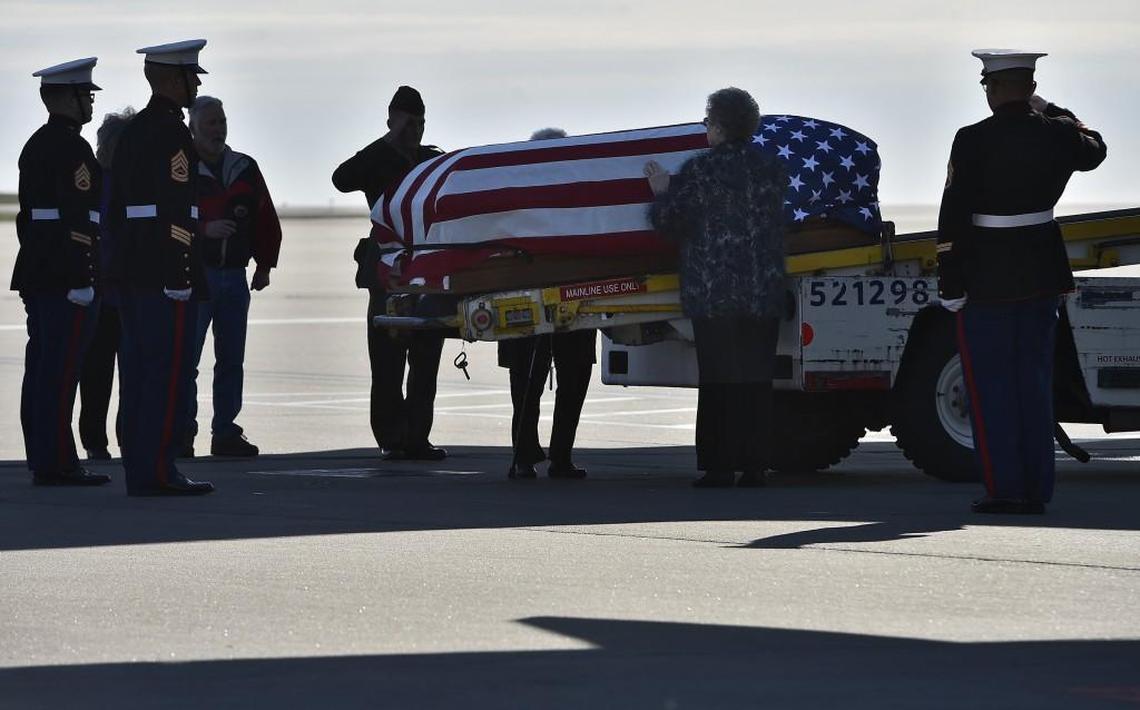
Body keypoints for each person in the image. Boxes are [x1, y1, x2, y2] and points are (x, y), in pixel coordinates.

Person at [937, 50, 1106, 515]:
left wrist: (951, 280)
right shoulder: (1056, 134)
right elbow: (1095, 148)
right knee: (1033, 384)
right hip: (1040, 272)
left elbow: (953, 214)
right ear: (1031, 89)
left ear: (991, 89)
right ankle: (1037, 488)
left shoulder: (972, 138)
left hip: (987, 275)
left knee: (992, 388)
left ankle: (1006, 489)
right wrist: (1052, 110)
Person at [645, 87, 787, 488]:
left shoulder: (700, 171)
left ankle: (720, 464)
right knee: (757, 380)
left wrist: (660, 193)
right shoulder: (771, 169)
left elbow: (671, 222)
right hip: (763, 293)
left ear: (721, 127)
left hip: (715, 293)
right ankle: (756, 464)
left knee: (720, 381)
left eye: (708, 121)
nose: (706, 128)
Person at [109, 39, 214, 496]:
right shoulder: (172, 134)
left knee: (137, 372)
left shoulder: (133, 131)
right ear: (173, 80)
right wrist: (179, 274)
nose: (195, 84)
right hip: (163, 274)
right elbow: (174, 213)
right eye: (191, 77)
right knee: (164, 372)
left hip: (133, 271)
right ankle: (159, 470)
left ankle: (140, 467)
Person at [332, 85, 447, 461]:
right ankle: (390, 436)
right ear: (391, 121)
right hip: (387, 273)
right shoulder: (376, 161)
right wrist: (388, 141)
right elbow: (341, 179)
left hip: (427, 271)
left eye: (420, 122)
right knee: (387, 361)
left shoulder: (432, 161)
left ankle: (417, 436)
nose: (415, 129)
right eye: (408, 122)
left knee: (426, 359)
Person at [12, 57, 110, 486]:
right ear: (65, 98)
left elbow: (30, 222)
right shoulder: (72, 148)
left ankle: (45, 456)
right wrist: (82, 278)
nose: (89, 102)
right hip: (64, 279)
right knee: (59, 371)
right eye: (85, 95)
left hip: (40, 272)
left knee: (43, 369)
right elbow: (78, 221)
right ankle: (58, 463)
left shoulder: (36, 144)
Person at [184, 95, 282, 458]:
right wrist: (204, 230)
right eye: (210, 122)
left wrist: (265, 264)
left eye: (221, 121)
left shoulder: (243, 168)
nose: (218, 128)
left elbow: (265, 217)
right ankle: (182, 431)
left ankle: (225, 432)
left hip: (234, 279)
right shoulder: (182, 169)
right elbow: (168, 217)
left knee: (230, 360)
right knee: (186, 360)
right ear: (192, 128)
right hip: (196, 278)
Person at [500, 128, 595, 480]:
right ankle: (541, 456)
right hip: (540, 298)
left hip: (561, 299)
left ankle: (543, 457)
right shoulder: (575, 197)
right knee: (534, 381)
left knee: (549, 380)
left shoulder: (516, 198)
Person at [78, 108, 134, 461]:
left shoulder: (130, 182)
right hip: (107, 294)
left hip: (120, 294)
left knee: (111, 376)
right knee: (100, 375)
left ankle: (104, 441)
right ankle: (100, 441)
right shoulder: (99, 183)